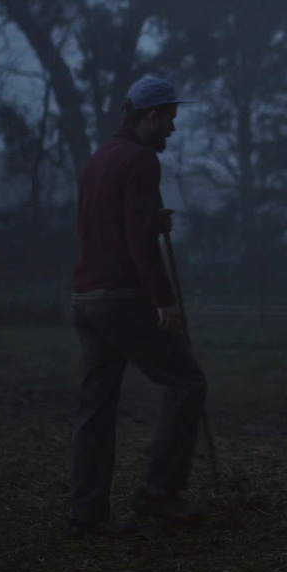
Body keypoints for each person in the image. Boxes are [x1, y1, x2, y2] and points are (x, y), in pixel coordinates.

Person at [67, 75, 206, 538]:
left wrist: (152, 220)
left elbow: (110, 222)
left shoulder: (100, 159)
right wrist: (164, 301)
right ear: (151, 116)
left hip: (86, 299)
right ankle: (159, 493)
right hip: (121, 300)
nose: (171, 130)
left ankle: (85, 516)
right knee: (186, 381)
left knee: (96, 408)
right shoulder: (142, 161)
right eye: (168, 120)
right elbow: (137, 243)